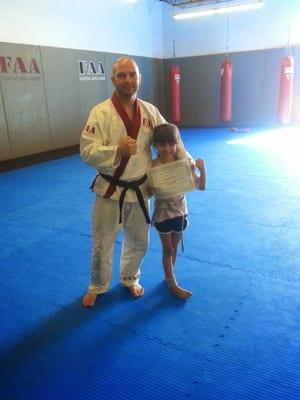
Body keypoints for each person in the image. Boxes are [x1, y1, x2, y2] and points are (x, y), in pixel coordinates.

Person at [80, 57, 188, 307]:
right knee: (103, 239)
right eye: (122, 75)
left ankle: (130, 278)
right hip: (110, 189)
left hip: (141, 188)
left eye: (132, 75)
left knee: (139, 240)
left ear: (139, 78)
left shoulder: (151, 111)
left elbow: (173, 139)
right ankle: (98, 285)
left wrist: (187, 162)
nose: (128, 80)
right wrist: (115, 150)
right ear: (113, 80)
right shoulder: (100, 112)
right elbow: (86, 151)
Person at [149, 123, 206, 300]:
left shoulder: (183, 165)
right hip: (163, 214)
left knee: (173, 250)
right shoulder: (152, 166)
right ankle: (172, 284)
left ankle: (168, 277)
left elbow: (201, 187)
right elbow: (148, 193)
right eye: (162, 144)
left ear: (177, 144)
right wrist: (152, 186)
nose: (167, 148)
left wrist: (202, 169)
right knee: (168, 248)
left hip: (181, 213)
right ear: (155, 145)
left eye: (171, 144)